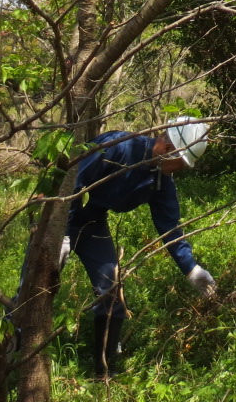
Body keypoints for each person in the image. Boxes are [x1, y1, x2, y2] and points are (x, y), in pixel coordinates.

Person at [64, 121, 214, 374]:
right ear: (168, 148)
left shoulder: (159, 180)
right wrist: (60, 236)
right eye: (181, 164)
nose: (178, 171)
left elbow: (169, 226)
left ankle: (104, 372)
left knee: (110, 294)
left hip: (92, 224)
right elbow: (70, 185)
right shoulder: (119, 147)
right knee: (35, 288)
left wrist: (192, 269)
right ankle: (8, 361)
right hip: (57, 220)